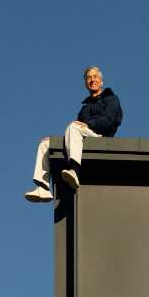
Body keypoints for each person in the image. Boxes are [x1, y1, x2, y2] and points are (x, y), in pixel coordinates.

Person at [25, 67, 123, 202]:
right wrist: (55, 141)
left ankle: (74, 170)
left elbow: (109, 120)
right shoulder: (85, 108)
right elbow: (74, 135)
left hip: (100, 138)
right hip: (84, 136)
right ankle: (43, 187)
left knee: (73, 126)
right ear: (86, 83)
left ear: (101, 81)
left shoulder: (111, 99)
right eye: (88, 78)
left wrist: (88, 124)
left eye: (95, 77)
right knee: (46, 144)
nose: (92, 80)